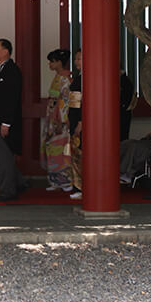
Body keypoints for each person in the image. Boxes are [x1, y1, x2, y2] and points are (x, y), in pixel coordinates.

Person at [0, 38, 26, 202]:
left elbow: (12, 98)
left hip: (4, 120)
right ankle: (18, 182)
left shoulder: (12, 71)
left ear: (5, 52)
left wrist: (6, 122)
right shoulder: (2, 70)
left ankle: (8, 191)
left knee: (4, 156)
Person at [41, 49, 75, 192]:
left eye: (52, 61)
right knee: (51, 147)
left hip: (60, 118)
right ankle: (55, 179)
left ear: (60, 62)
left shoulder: (66, 79)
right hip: (53, 116)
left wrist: (62, 119)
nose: (50, 64)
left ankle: (65, 180)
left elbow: (65, 101)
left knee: (60, 148)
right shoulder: (59, 77)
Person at [66, 49, 83, 200]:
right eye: (76, 59)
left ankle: (80, 186)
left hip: (79, 121)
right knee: (76, 153)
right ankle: (77, 185)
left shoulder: (84, 80)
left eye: (80, 59)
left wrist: (81, 122)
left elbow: (82, 104)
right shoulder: (78, 79)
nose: (77, 62)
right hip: (74, 118)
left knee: (80, 154)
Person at [119, 70, 136, 141]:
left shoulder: (124, 82)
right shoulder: (126, 81)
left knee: (121, 136)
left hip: (123, 112)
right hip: (125, 112)